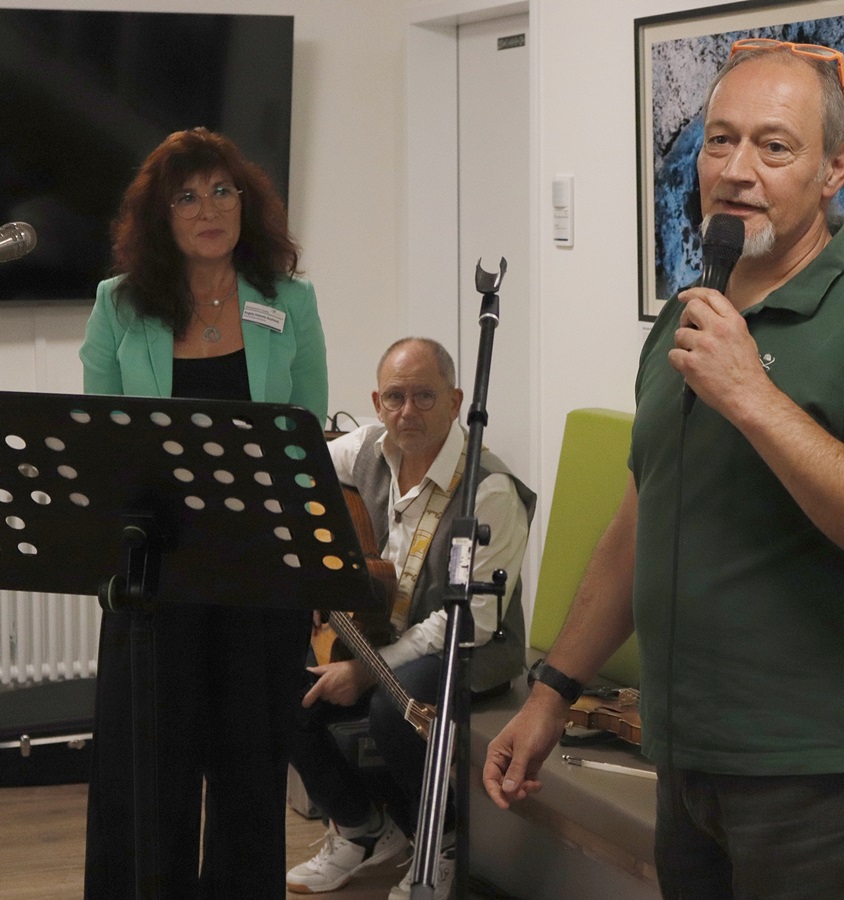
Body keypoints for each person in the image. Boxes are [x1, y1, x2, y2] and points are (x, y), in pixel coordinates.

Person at [483, 39, 844, 900]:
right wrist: (554, 692)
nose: (738, 170)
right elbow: (643, 523)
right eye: (719, 140)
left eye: (774, 147)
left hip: (814, 775)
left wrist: (753, 395)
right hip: (683, 754)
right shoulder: (686, 316)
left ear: (834, 168)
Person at [79, 126, 328, 898]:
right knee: (145, 769)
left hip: (256, 573)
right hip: (152, 574)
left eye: (223, 190)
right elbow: (98, 440)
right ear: (161, 215)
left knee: (250, 769)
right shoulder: (119, 306)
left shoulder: (289, 300)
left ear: (246, 203)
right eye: (186, 196)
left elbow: (306, 433)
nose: (209, 208)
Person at [286, 337, 534, 900]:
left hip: (466, 647)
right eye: (395, 397)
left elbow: (465, 623)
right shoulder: (370, 447)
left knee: (396, 707)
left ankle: (441, 842)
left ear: (456, 399)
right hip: (383, 632)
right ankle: (362, 829)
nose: (408, 412)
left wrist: (369, 671)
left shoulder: (490, 490)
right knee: (275, 680)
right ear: (376, 402)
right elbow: (296, 463)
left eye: (425, 397)